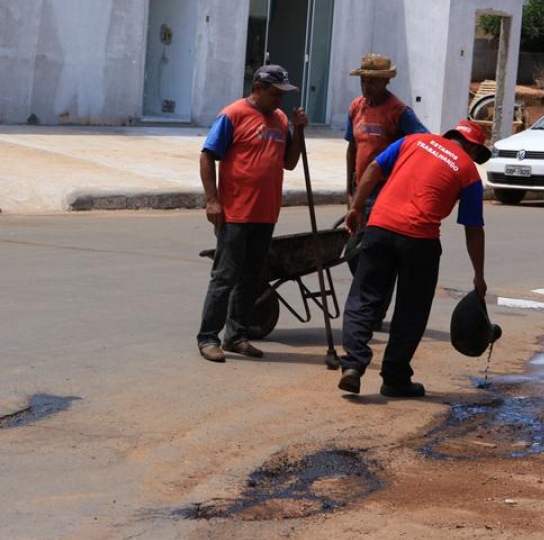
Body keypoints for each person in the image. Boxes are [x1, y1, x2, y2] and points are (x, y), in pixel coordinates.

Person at [337, 120, 491, 397]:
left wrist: (356, 208)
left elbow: (373, 169)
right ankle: (395, 379)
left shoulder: (413, 141)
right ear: (471, 146)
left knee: (364, 298)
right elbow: (473, 229)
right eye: (477, 155)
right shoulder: (468, 172)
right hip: (420, 240)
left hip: (379, 227)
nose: (475, 161)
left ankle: (353, 366)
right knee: (411, 310)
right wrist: (478, 276)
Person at [196, 64, 308, 363]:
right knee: (225, 277)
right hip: (235, 212)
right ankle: (208, 338)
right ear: (258, 88)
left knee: (251, 278)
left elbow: (290, 162)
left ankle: (237, 336)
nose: (279, 100)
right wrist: (212, 200)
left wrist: (298, 131)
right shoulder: (232, 115)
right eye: (275, 93)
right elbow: (207, 156)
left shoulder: (281, 118)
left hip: (266, 212)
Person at [344, 53, 428, 278]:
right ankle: (367, 297)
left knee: (372, 252)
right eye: (363, 80)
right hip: (361, 191)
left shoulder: (399, 112)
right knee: (355, 251)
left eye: (372, 81)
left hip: (386, 192)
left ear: (386, 81)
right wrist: (349, 192)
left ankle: (370, 300)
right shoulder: (355, 108)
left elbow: (423, 143)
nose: (366, 86)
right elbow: (352, 148)